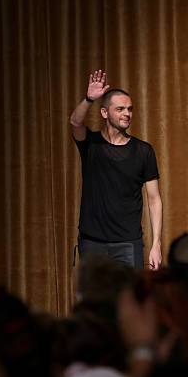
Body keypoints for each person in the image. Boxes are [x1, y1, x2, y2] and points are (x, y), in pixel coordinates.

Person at [70, 70, 162, 270]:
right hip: (92, 242)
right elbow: (75, 122)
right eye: (120, 109)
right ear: (104, 112)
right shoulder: (91, 144)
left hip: (128, 243)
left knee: (129, 300)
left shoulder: (143, 151)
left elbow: (154, 198)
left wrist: (156, 244)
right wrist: (88, 99)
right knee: (94, 301)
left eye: (129, 109)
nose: (127, 114)